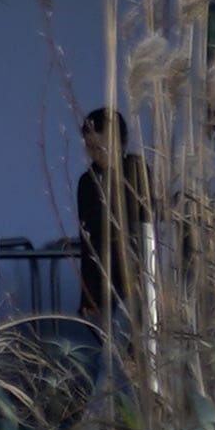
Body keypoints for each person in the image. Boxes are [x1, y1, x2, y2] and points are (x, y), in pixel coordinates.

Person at [75, 108, 152, 322]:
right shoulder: (88, 181)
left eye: (101, 148)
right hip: (102, 278)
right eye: (90, 148)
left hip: (137, 276)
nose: (96, 155)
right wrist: (88, 296)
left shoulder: (137, 172)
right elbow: (88, 241)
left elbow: (147, 222)